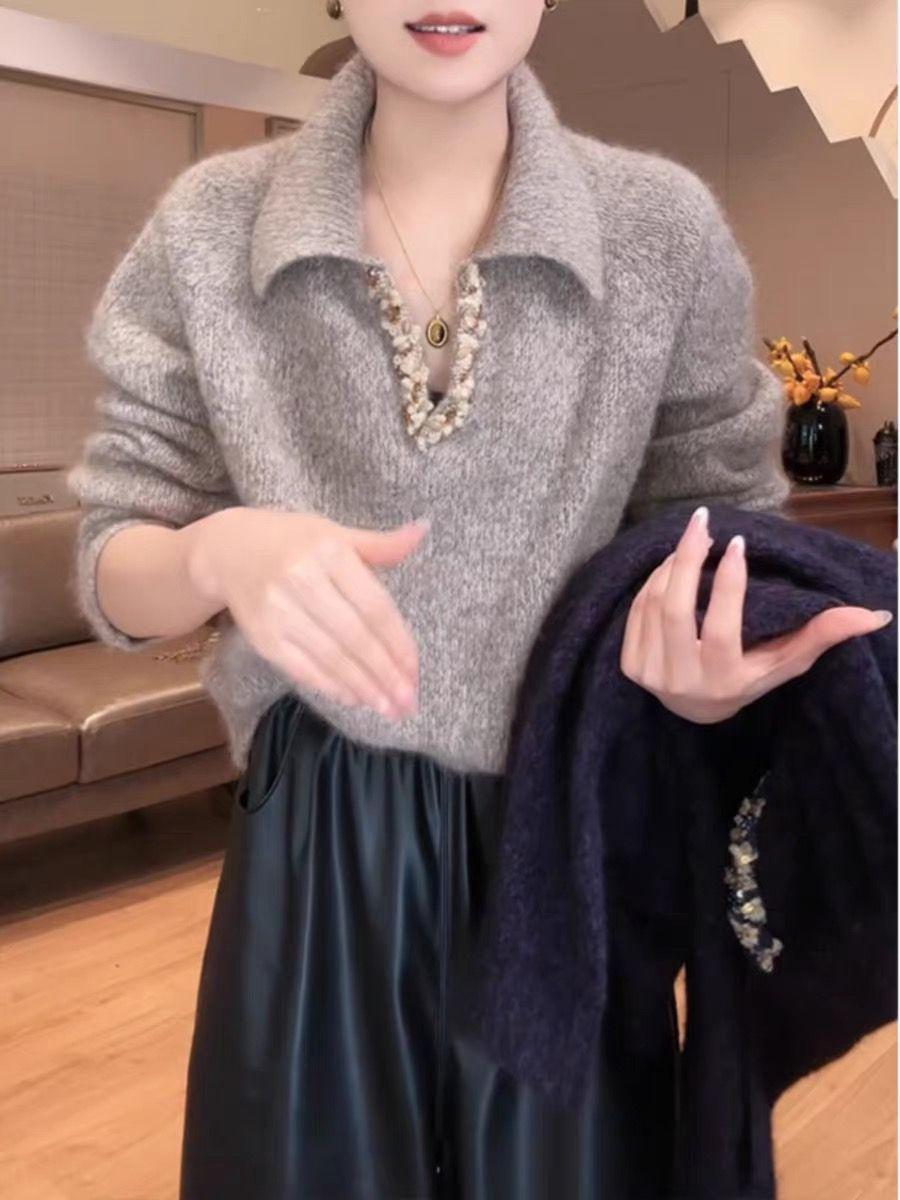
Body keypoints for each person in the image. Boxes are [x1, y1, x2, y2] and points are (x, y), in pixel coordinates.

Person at [66, 1, 888, 1196]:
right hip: (319, 842)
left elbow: (717, 535)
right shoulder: (210, 227)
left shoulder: (660, 231)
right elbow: (115, 556)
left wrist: (707, 670)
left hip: (572, 828)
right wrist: (215, 555)